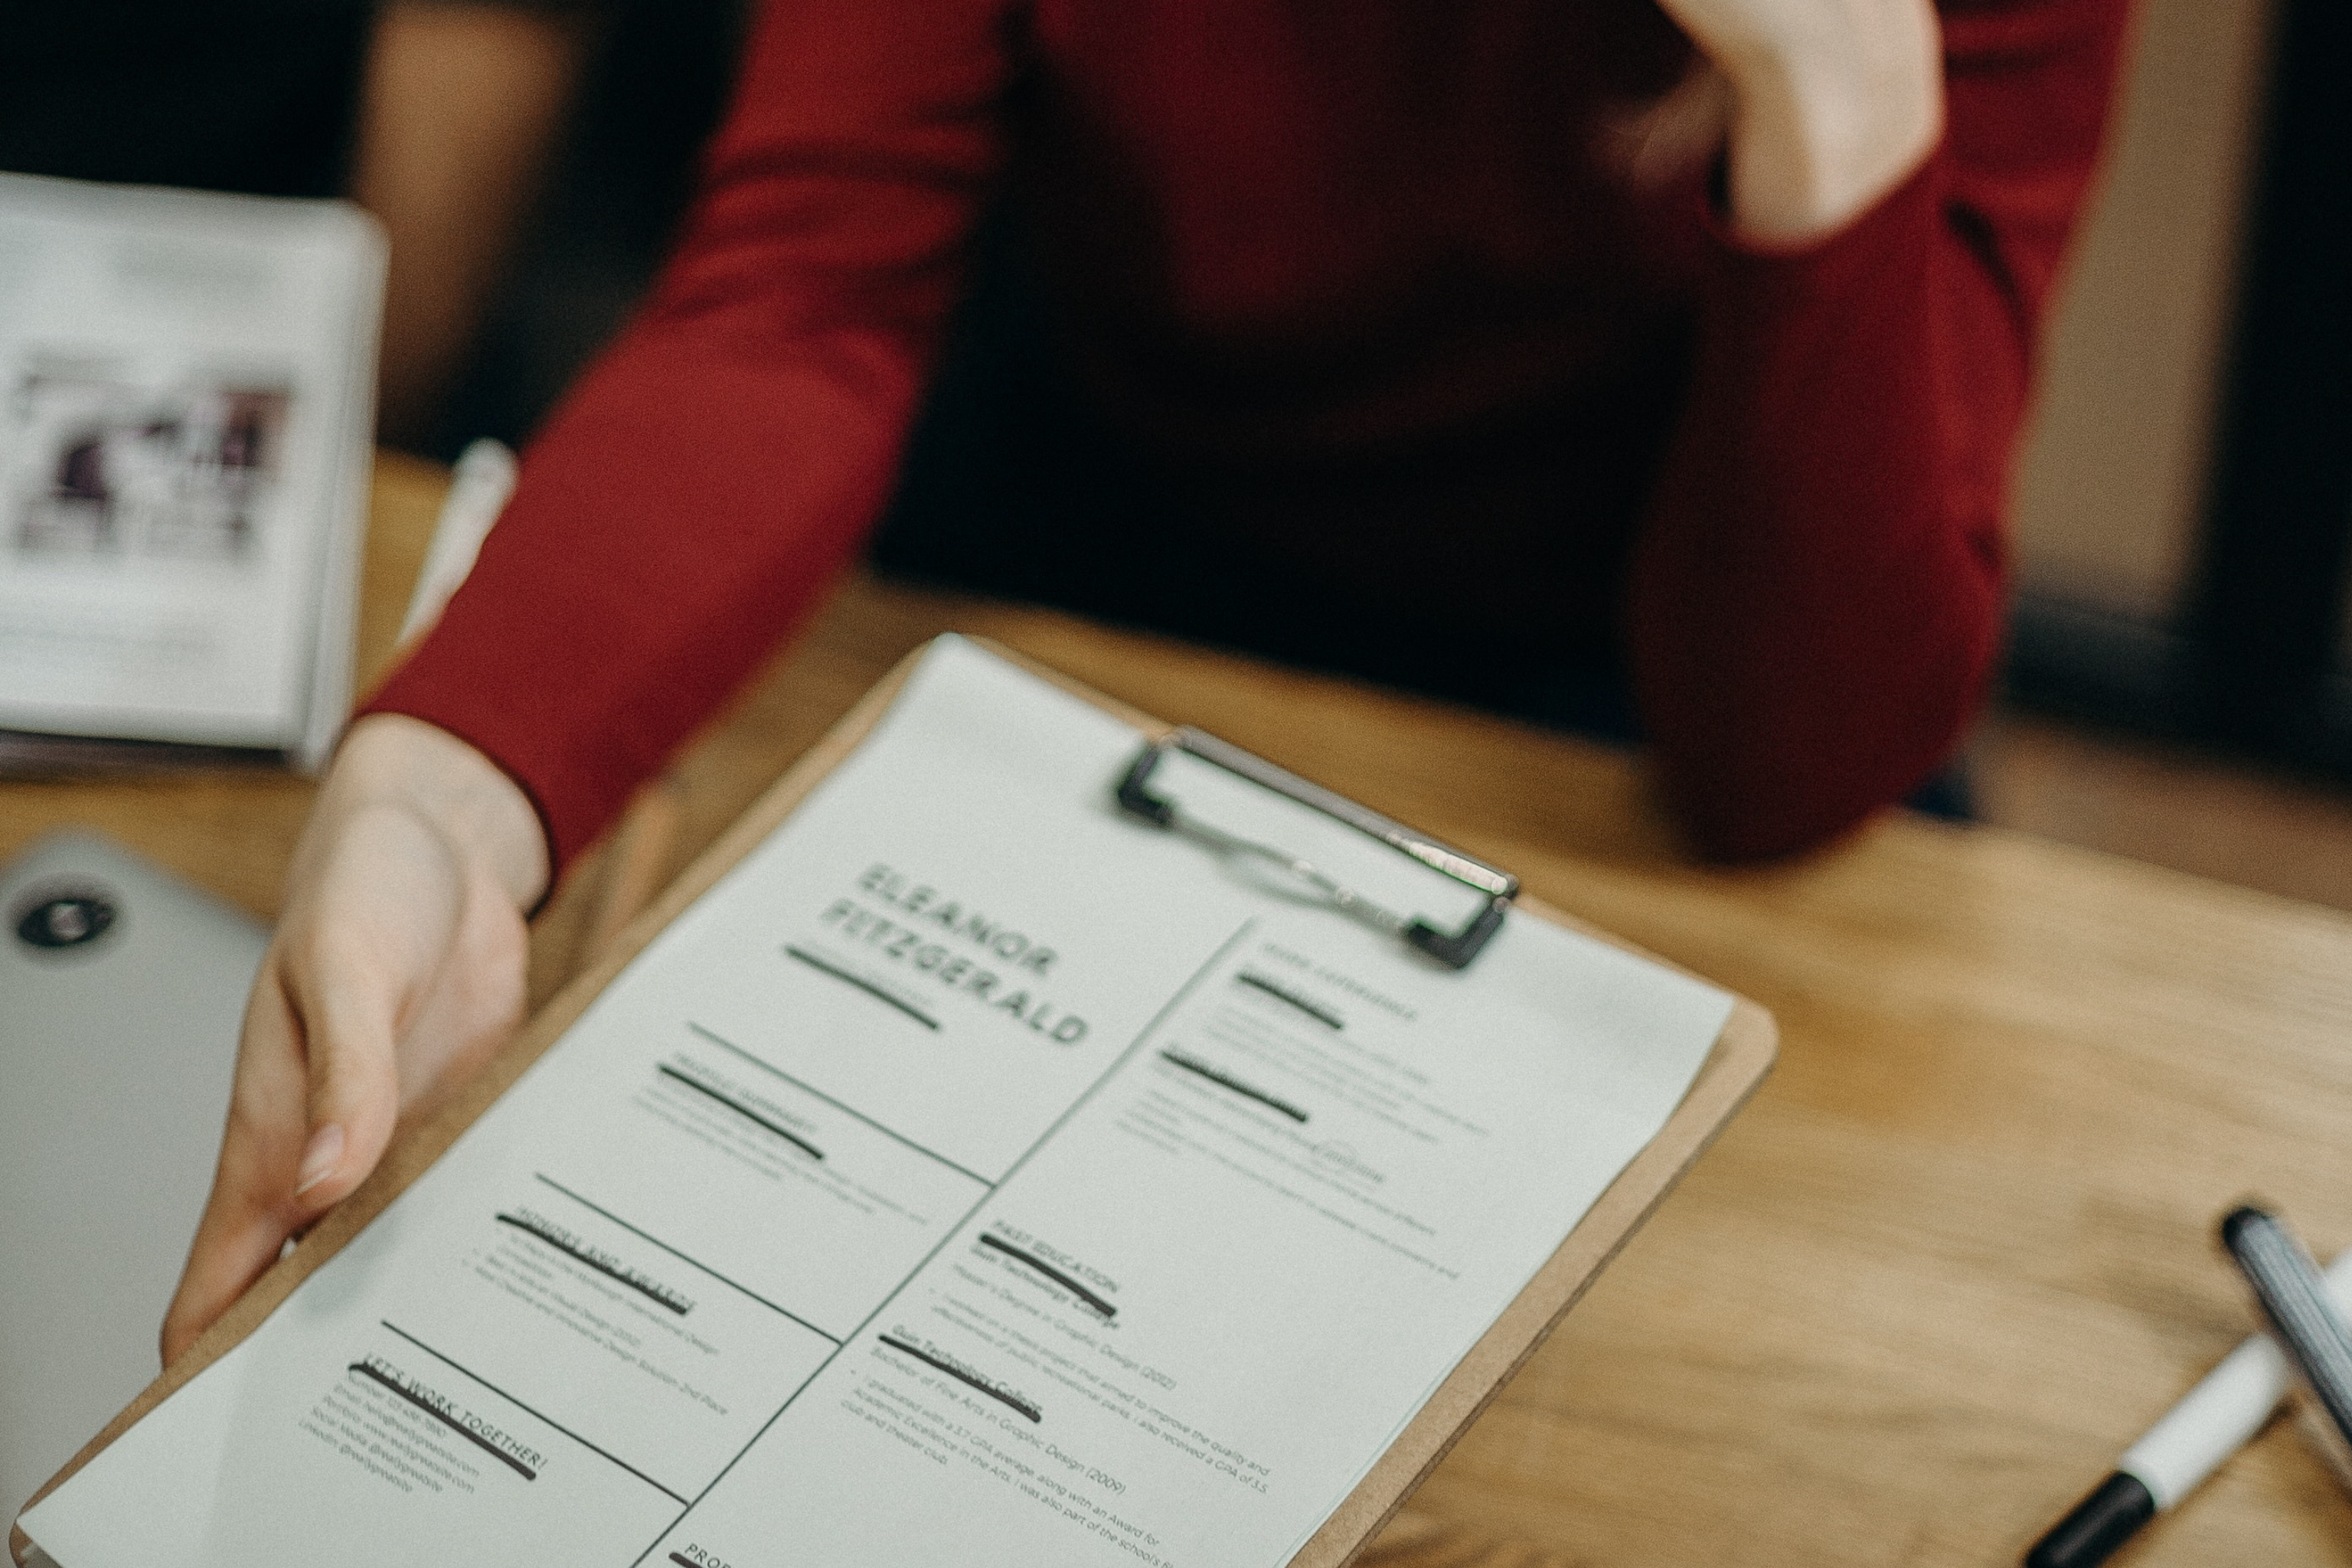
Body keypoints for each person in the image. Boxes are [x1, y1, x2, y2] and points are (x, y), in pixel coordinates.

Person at [160, 0, 2134, 1362]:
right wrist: (441, 787)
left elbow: (1786, 759)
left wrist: (1840, 112)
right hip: (1104, 519)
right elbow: (806, 284)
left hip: (1647, 648)